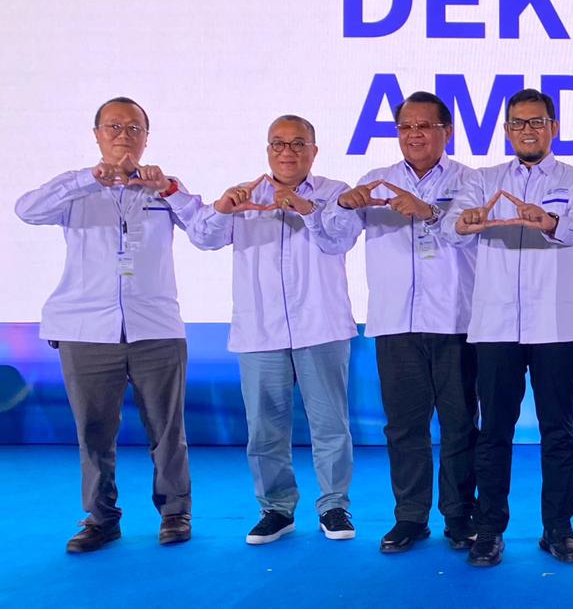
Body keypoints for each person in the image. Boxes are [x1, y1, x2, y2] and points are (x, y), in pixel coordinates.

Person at [15, 97, 196, 553]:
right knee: (93, 431)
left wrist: (170, 188)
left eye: (134, 128)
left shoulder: (162, 189)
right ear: (97, 135)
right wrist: (86, 179)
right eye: (113, 127)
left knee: (167, 429)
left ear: (146, 138)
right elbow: (26, 209)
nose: (123, 135)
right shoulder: (77, 189)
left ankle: (175, 511)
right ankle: (101, 518)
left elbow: (208, 230)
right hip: (86, 328)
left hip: (155, 326)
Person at [176, 115, 358, 545]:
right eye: (278, 143)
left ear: (314, 151)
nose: (287, 152)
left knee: (330, 425)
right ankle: (276, 509)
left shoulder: (334, 193)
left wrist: (305, 208)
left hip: (321, 326)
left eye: (298, 143)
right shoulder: (245, 194)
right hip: (260, 330)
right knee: (264, 429)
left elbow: (340, 239)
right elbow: (204, 238)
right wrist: (223, 209)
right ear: (268, 150)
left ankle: (334, 506)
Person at [442, 88, 573, 567]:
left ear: (553, 128)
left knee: (558, 432)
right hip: (495, 326)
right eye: (518, 123)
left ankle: (558, 529)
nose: (527, 130)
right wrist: (468, 220)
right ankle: (489, 530)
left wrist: (548, 220)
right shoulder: (483, 179)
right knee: (493, 432)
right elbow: (450, 228)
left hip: (555, 323)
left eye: (536, 122)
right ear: (507, 130)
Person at [321, 91, 482, 554]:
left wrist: (429, 211)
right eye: (405, 127)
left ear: (446, 131)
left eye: (424, 126)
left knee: (459, 424)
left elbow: (477, 239)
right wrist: (343, 206)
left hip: (456, 320)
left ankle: (459, 515)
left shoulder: (470, 181)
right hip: (394, 323)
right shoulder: (376, 181)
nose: (414, 135)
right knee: (404, 427)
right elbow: (334, 241)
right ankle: (410, 516)